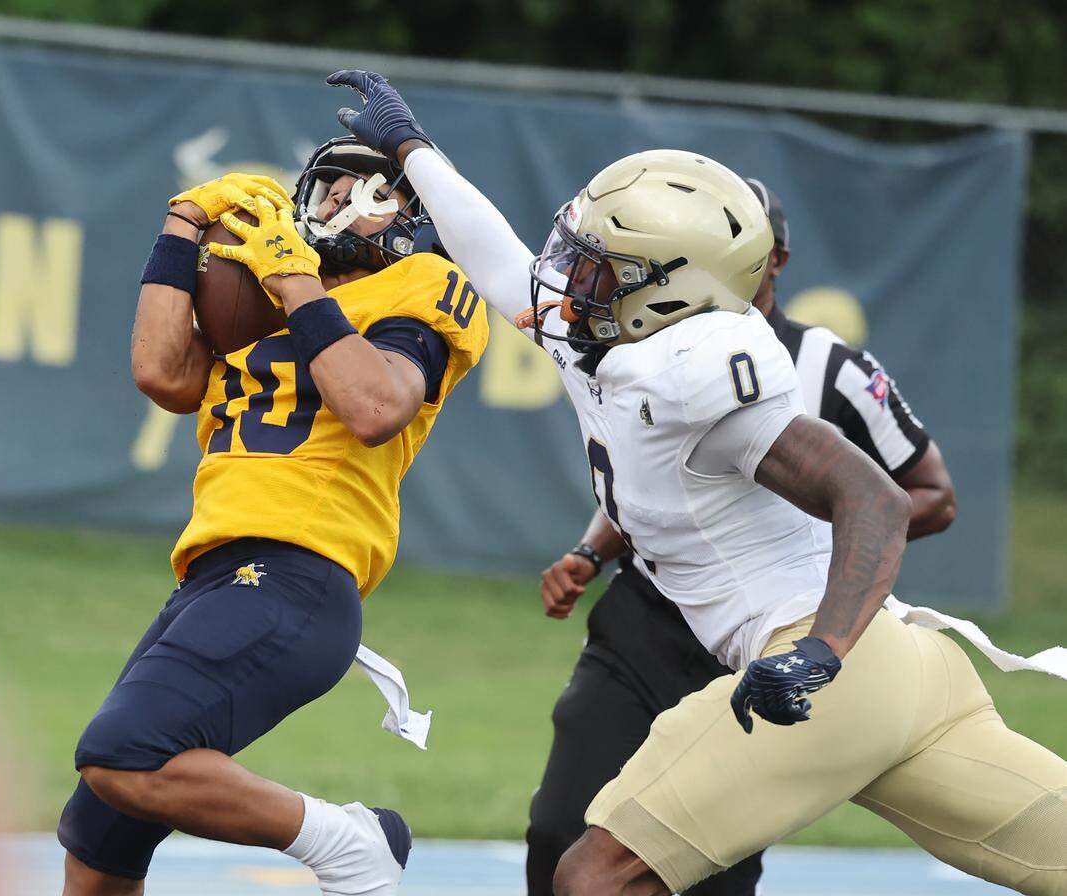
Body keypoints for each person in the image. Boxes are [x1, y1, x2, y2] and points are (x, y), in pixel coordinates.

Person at [327, 70, 1067, 896]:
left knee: (592, 878)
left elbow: (877, 497)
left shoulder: (693, 369)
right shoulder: (604, 335)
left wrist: (819, 653)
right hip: (906, 673)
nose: (567, 274)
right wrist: (412, 149)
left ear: (669, 289)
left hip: (827, 665)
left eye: (597, 265)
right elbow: (498, 254)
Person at [57, 138, 489, 896]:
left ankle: (349, 843)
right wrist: (183, 224)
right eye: (326, 187)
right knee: (100, 832)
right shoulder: (263, 296)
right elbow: (162, 371)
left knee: (123, 752)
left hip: (299, 570)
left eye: (361, 191)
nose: (331, 201)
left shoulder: (421, 285)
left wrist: (295, 283)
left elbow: (376, 405)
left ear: (408, 217)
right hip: (214, 572)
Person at [527, 179, 957, 896]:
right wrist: (590, 551)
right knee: (560, 827)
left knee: (708, 865)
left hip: (769, 629)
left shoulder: (829, 364)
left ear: (772, 260)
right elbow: (643, 475)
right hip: (652, 612)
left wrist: (807, 537)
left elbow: (930, 494)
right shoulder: (639, 330)